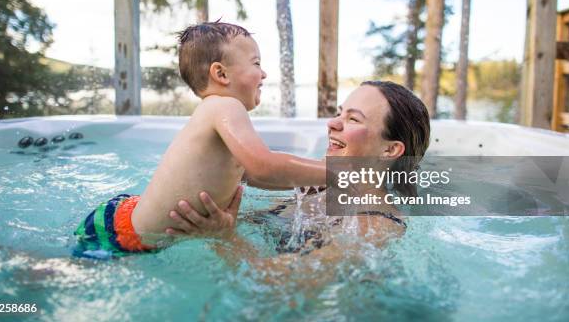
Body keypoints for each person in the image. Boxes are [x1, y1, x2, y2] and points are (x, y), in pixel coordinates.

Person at [73, 22, 327, 258]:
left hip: (128, 224)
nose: (264, 73)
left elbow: (255, 175)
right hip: (119, 234)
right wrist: (339, 173)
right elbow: (265, 166)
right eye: (256, 63)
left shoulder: (216, 112)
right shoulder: (225, 106)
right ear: (221, 73)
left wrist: (314, 182)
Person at [166, 81, 430, 265]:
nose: (332, 123)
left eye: (353, 119)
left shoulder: (374, 226)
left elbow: (277, 289)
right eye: (339, 113)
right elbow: (252, 199)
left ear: (391, 149)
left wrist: (224, 238)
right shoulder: (318, 185)